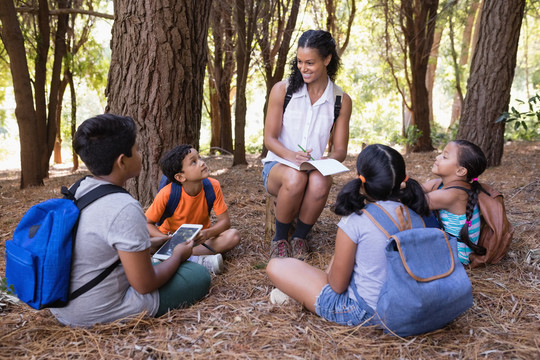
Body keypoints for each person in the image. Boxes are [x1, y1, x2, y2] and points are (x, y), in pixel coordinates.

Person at [50, 114, 211, 327]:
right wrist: (179, 255)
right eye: (137, 149)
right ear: (122, 161)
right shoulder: (124, 207)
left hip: (62, 304)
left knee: (158, 259)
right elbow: (145, 284)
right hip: (96, 311)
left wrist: (159, 242)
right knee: (198, 275)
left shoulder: (77, 190)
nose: (141, 154)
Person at [266, 144, 430, 326]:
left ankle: (297, 294)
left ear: (362, 180)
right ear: (402, 179)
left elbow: (336, 286)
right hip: (411, 307)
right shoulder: (417, 214)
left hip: (364, 312)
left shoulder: (356, 220)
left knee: (275, 266)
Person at [262, 29, 352, 260]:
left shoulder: (341, 100)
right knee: (295, 177)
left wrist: (325, 162)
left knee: (322, 181)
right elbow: (269, 139)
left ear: (327, 59)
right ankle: (280, 239)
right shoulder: (283, 91)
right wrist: (292, 157)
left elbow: (340, 149)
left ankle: (300, 237)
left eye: (310, 62)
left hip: (314, 168)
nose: (303, 68)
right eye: (300, 62)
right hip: (278, 168)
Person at [146, 144, 240, 274]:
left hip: (198, 240)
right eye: (194, 162)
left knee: (233, 236)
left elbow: (225, 222)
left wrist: (207, 233)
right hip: (169, 241)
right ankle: (196, 260)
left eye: (199, 158)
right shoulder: (167, 193)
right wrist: (167, 238)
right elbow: (147, 223)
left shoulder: (213, 186)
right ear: (180, 177)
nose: (202, 163)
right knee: (147, 244)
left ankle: (178, 258)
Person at [422, 140, 488, 265]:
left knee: (412, 213)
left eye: (445, 156)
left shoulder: (453, 195)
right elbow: (415, 191)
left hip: (456, 256)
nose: (437, 157)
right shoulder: (440, 184)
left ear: (461, 171)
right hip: (450, 244)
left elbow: (410, 202)